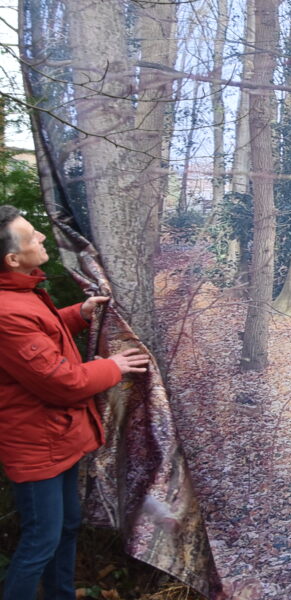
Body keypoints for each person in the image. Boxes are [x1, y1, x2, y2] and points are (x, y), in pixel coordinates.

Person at [0, 205, 150, 600]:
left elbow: (41, 337)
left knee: (67, 526)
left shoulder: (22, 292)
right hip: (36, 448)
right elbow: (60, 382)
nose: (43, 237)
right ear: (13, 259)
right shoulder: (5, 311)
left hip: (57, 438)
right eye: (32, 236)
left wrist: (78, 314)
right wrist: (115, 367)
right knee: (40, 542)